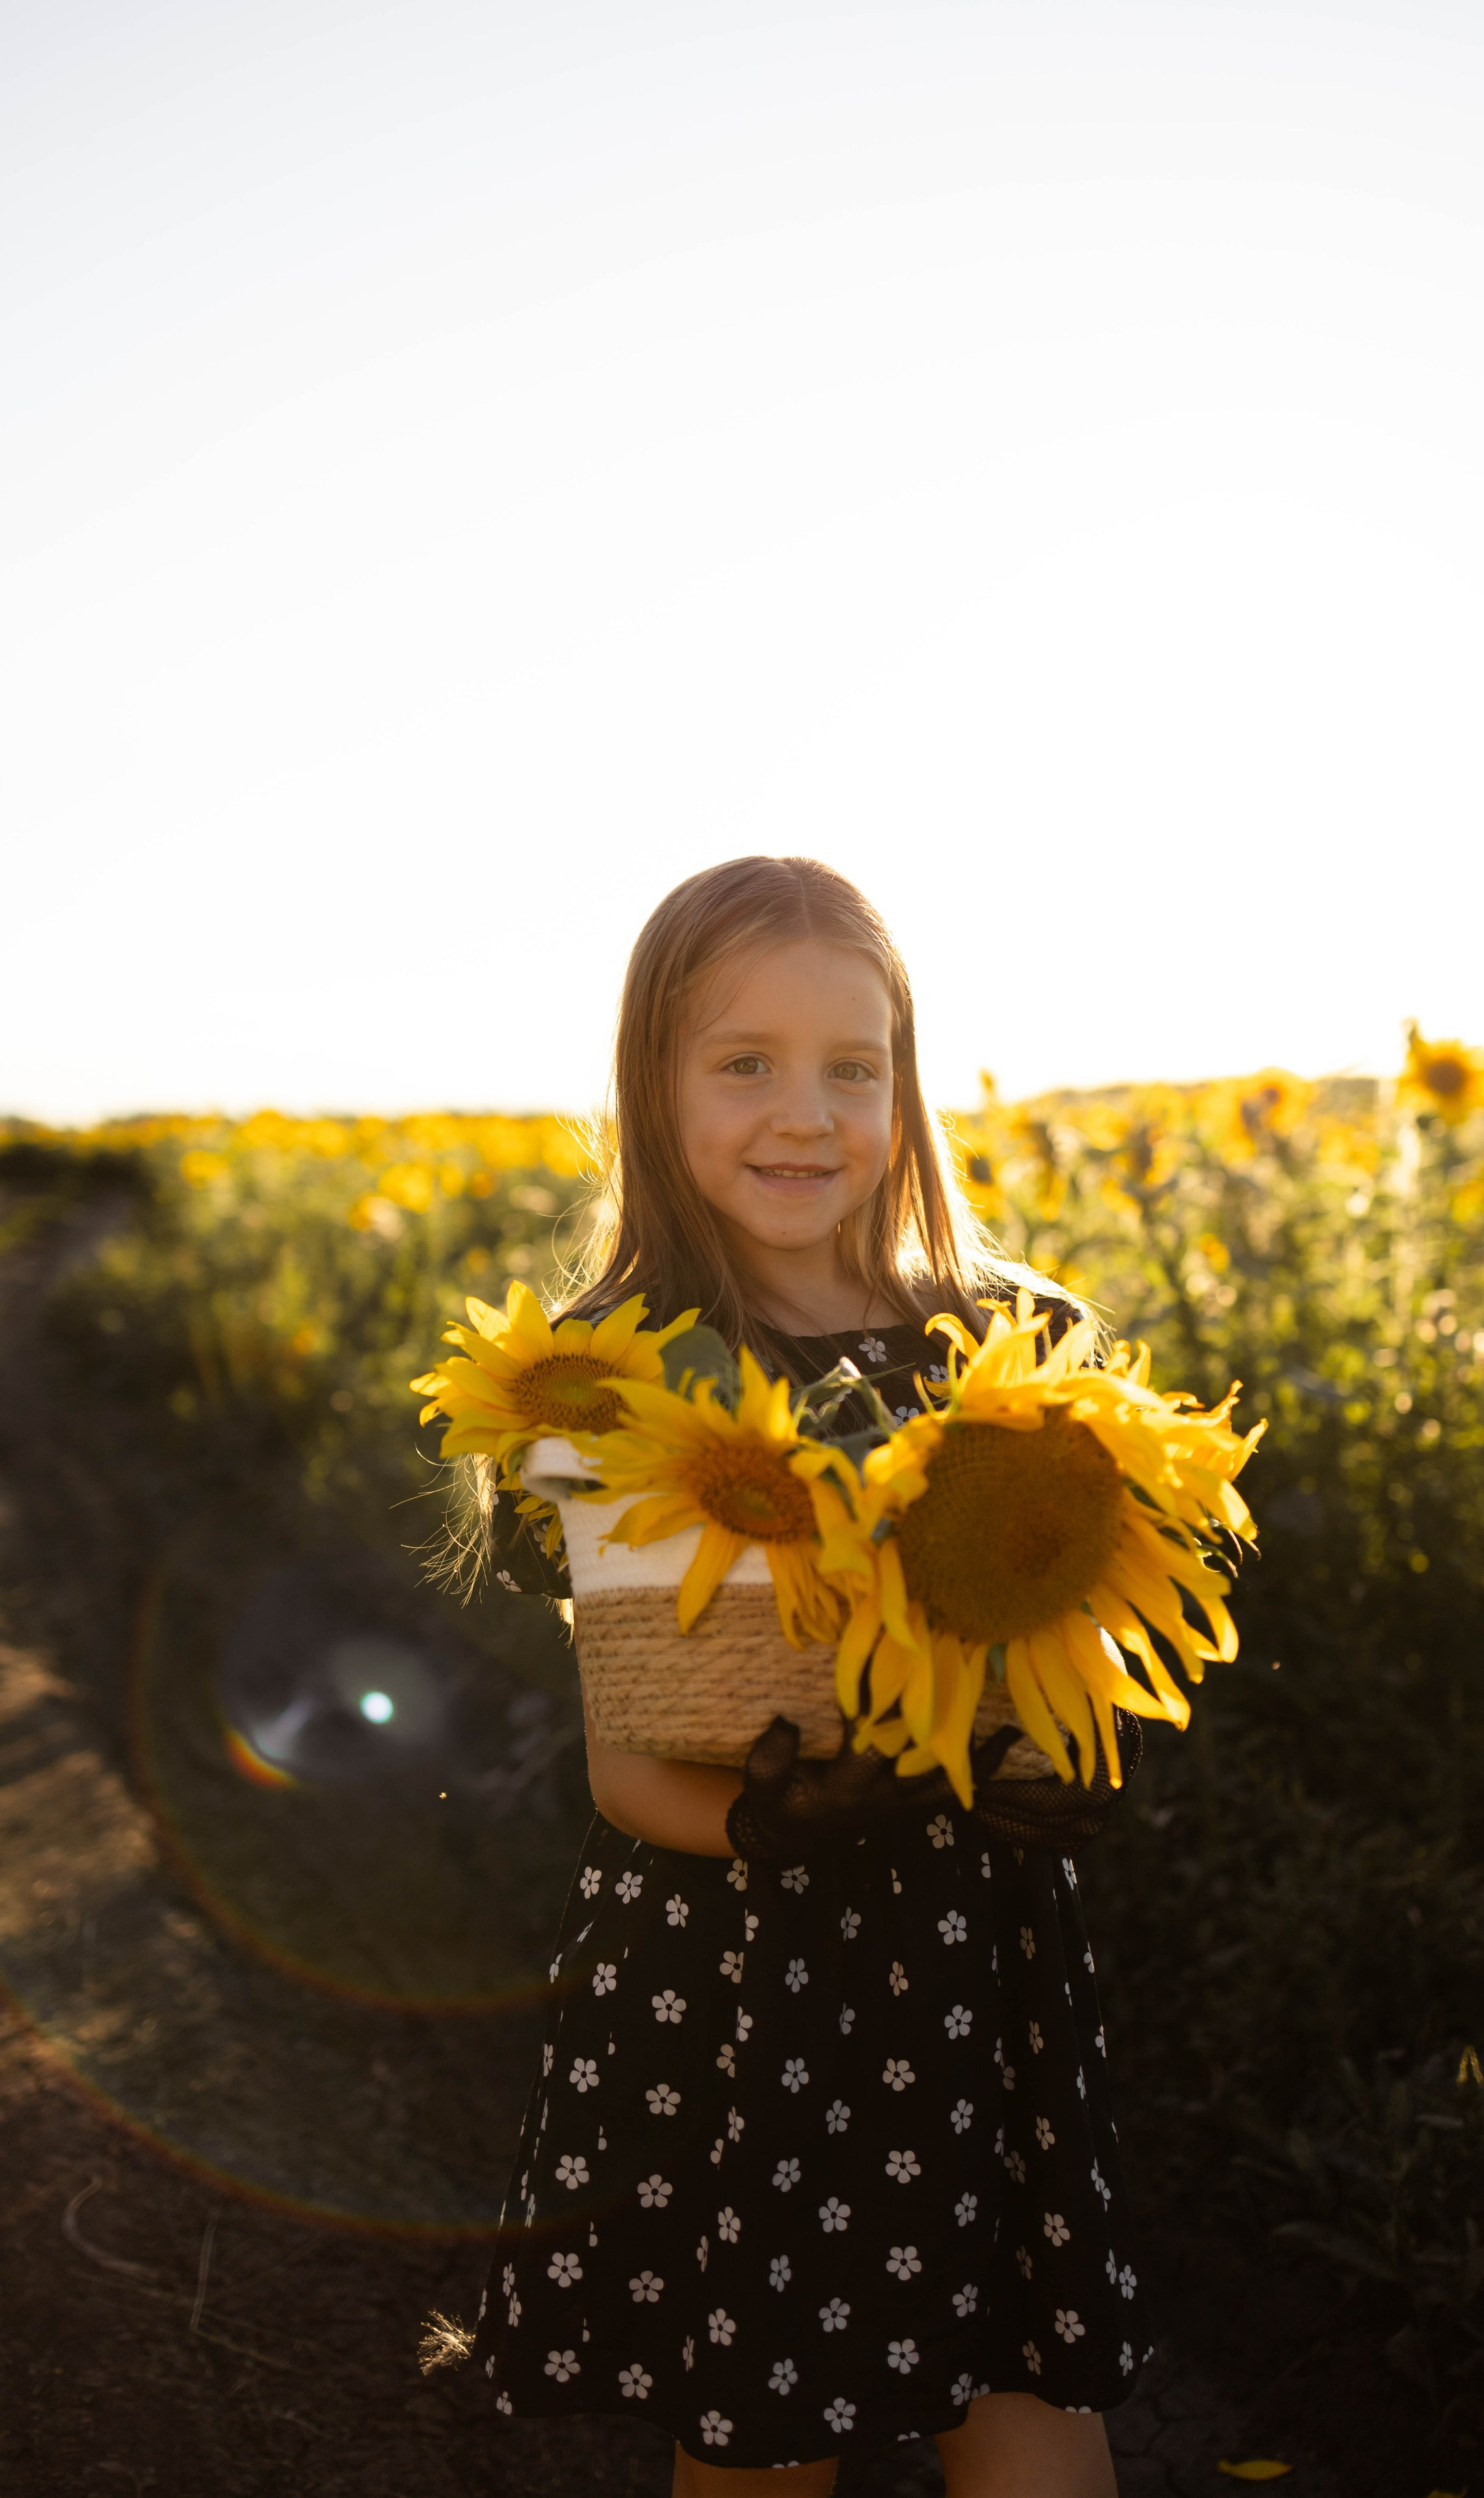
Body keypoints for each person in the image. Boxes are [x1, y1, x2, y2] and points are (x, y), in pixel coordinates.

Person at [470, 857, 1153, 2494]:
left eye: (854, 1065)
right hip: (739, 1980)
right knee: (771, 2438)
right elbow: (630, 1774)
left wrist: (1069, 1757)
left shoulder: (1005, 1347)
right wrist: (783, 1827)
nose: (807, 1113)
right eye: (744, 1063)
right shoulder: (612, 1384)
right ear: (654, 1086)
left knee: (1030, 2411)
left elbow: (1084, 1651)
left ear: (907, 1085)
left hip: (971, 1971)